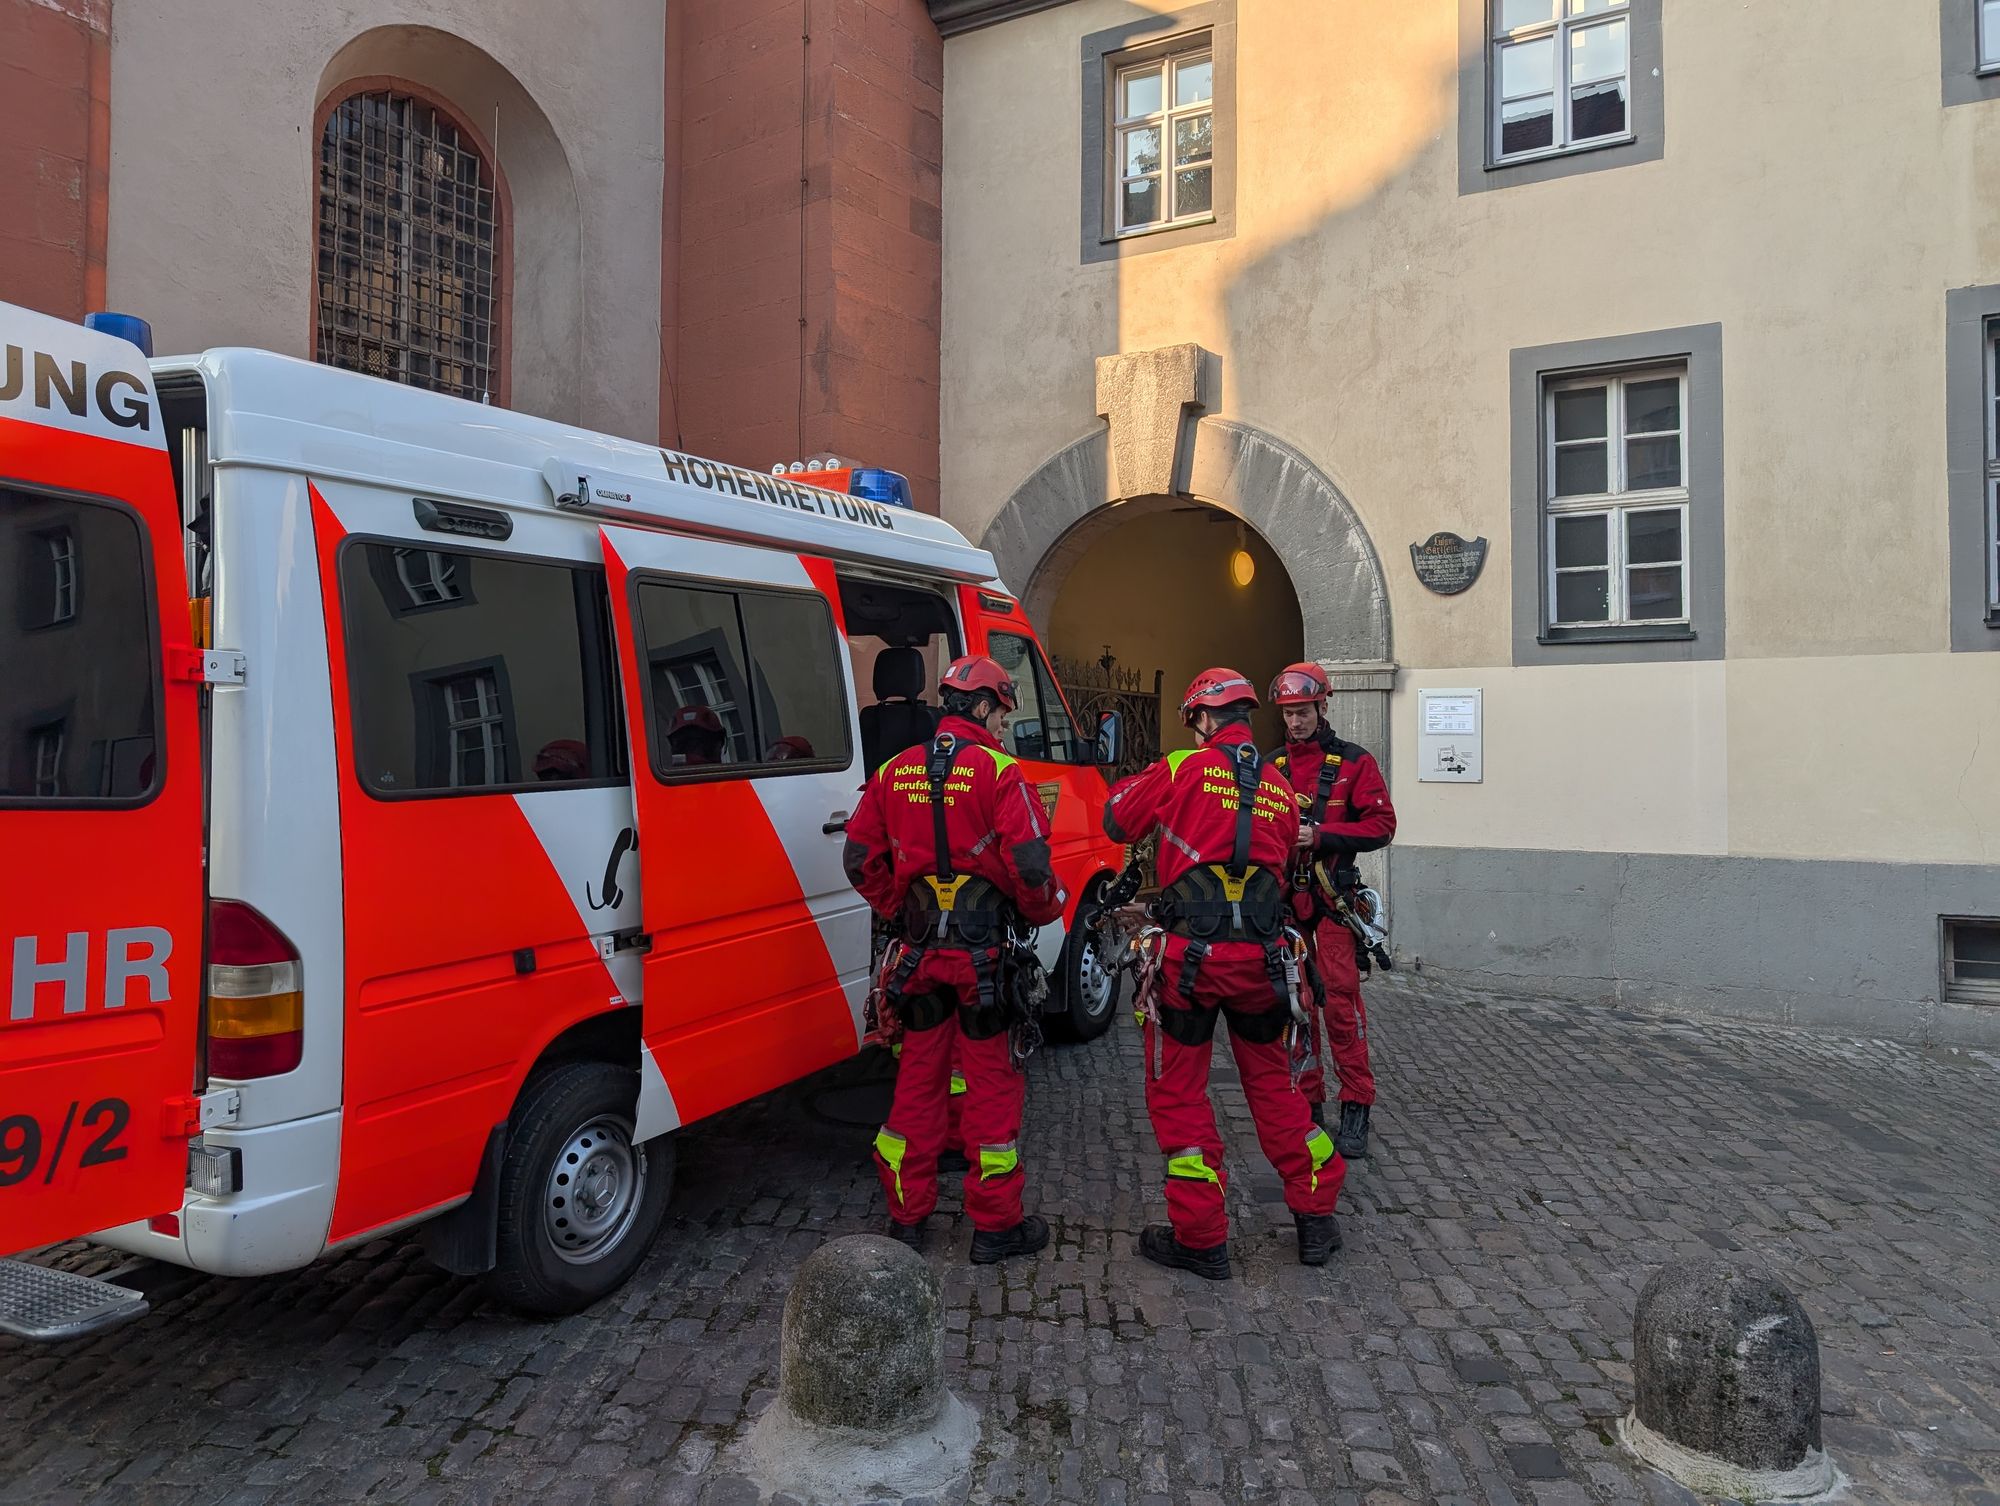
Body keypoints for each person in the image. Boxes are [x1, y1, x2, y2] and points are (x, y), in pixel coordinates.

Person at [1103, 668, 1344, 1279]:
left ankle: (1202, 1238)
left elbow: (1116, 821)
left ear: (1203, 720)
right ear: (1246, 717)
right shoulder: (1280, 787)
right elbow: (1279, 868)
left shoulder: (1183, 767)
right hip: (1262, 963)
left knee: (1179, 1095)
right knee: (1277, 1089)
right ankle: (1316, 1219)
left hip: (1189, 963)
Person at [843, 654, 1065, 1261]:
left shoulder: (894, 771)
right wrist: (1042, 911)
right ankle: (995, 1228)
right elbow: (1032, 866)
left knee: (916, 1082)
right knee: (992, 1087)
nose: (1002, 727)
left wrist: (903, 911)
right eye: (1001, 714)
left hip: (919, 959)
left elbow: (859, 861)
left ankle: (906, 1218)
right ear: (987, 706)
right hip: (984, 959)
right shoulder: (1000, 772)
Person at [1267, 663, 1397, 1160]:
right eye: (1288, 714)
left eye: (1302, 712)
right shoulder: (1271, 767)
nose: (1295, 722)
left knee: (1341, 1004)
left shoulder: (1355, 764)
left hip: (1333, 901)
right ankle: (1309, 1100)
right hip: (1286, 904)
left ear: (1323, 707)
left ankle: (1357, 1102)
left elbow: (1383, 826)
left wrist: (1320, 836)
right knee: (1298, 1006)